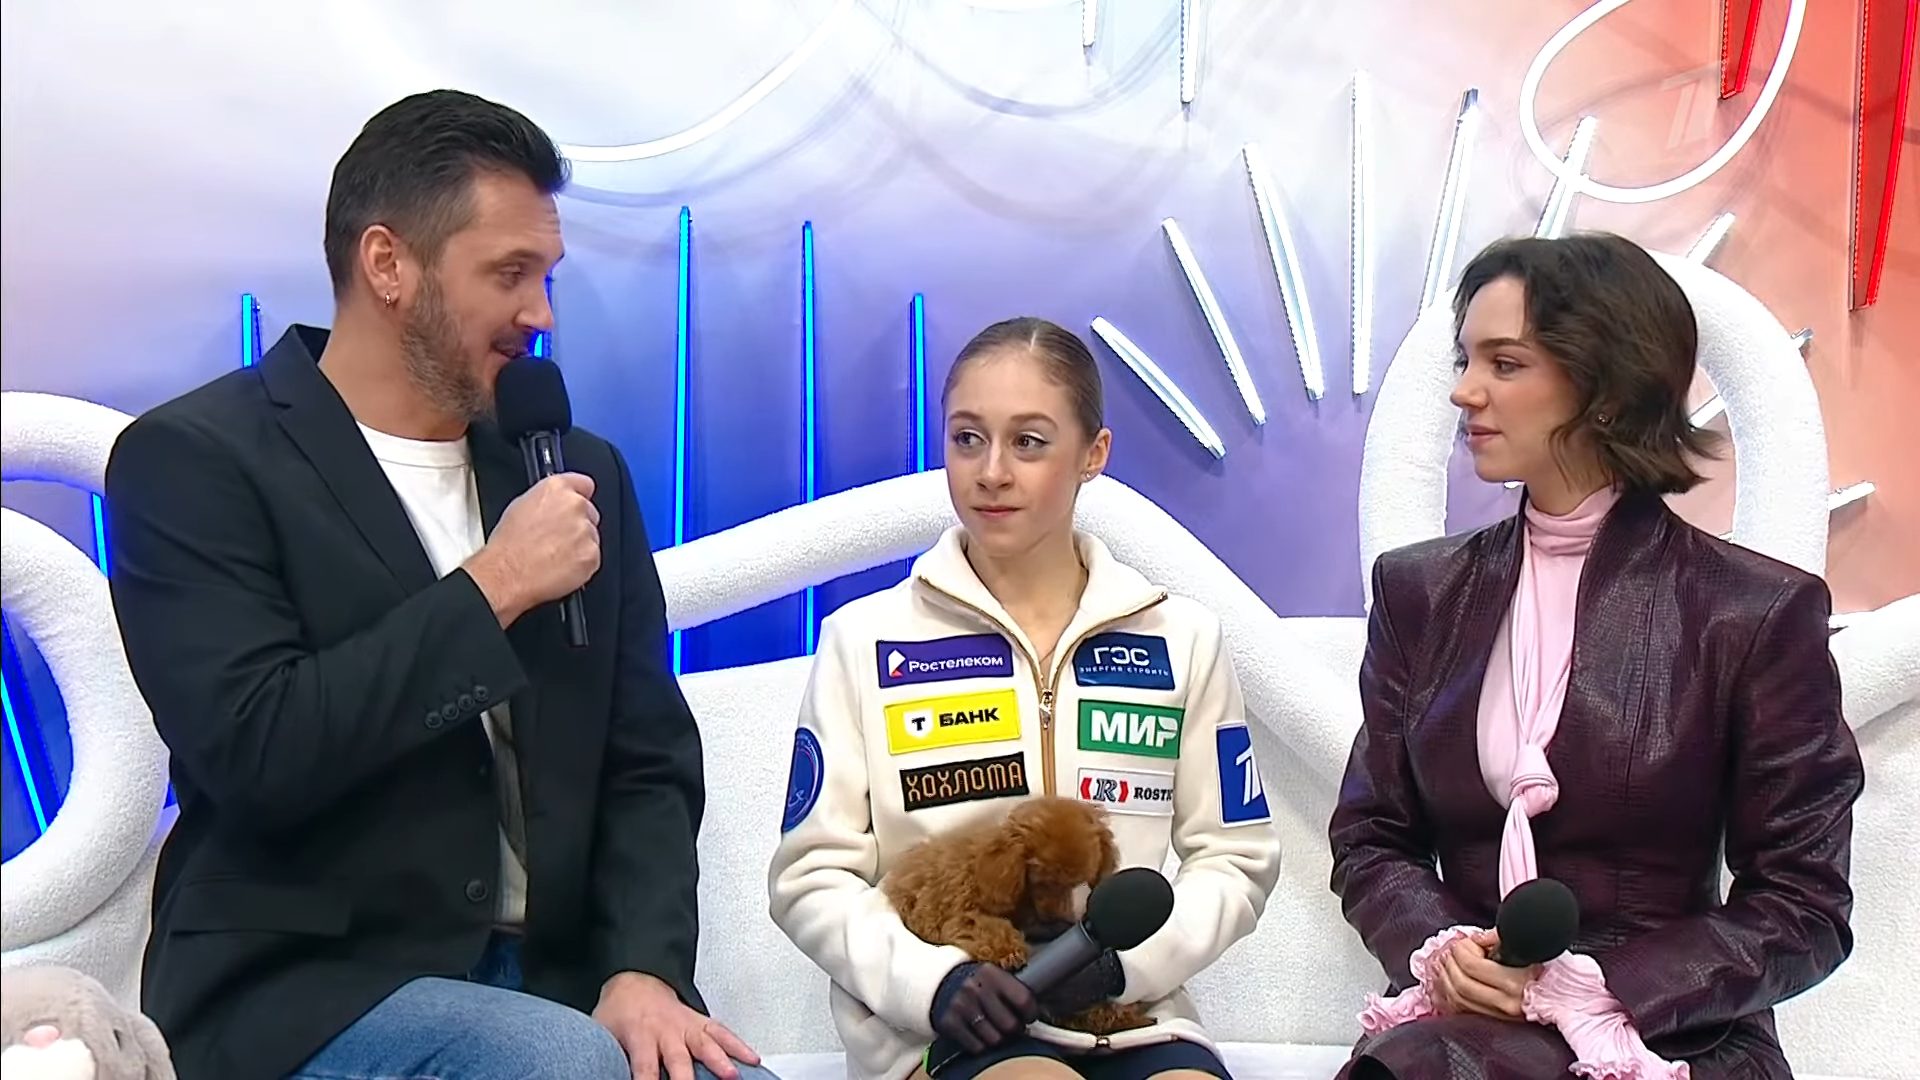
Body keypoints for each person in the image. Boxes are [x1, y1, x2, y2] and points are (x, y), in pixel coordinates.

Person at [104, 90, 777, 1080]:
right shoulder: (196, 461)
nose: (540, 314)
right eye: (509, 274)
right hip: (307, 992)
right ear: (388, 264)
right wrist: (495, 583)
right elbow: (259, 751)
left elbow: (646, 759)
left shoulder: (573, 469)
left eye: (546, 276)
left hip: (556, 981)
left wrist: (642, 969)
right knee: (557, 1062)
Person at [1326, 233, 1864, 1079]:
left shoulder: (1754, 611)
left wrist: (1603, 988)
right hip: (1457, 1023)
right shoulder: (1418, 592)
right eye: (1466, 360)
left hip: (1673, 1037)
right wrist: (1445, 946)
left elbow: (1806, 904)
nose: (1465, 391)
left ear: (1606, 389)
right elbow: (1371, 838)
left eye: (1505, 363)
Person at [767, 317, 1281, 1080]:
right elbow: (809, 877)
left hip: (1127, 1020)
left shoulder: (1182, 638)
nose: (991, 472)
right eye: (967, 439)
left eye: (1029, 442)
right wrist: (932, 983)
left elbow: (1236, 857)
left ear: (1094, 455)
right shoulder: (862, 639)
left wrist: (1125, 968)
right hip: (942, 1030)